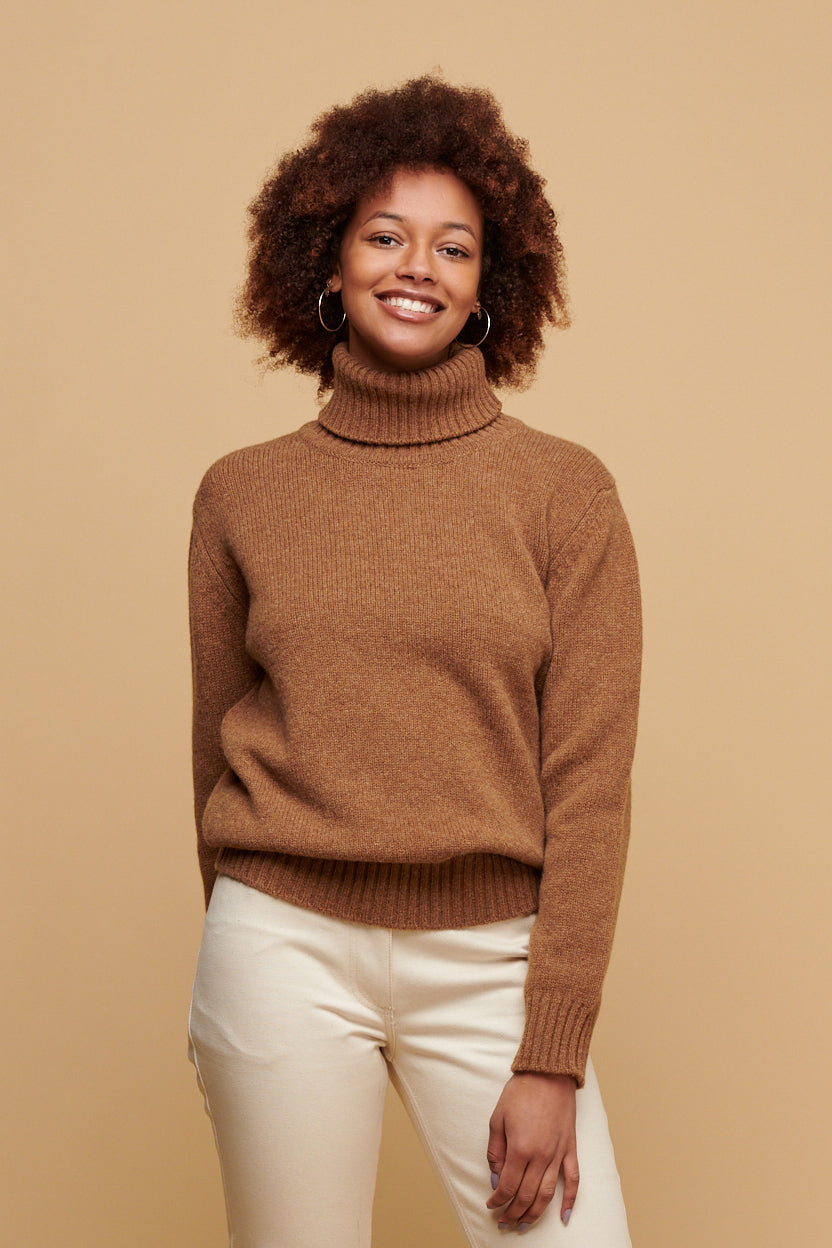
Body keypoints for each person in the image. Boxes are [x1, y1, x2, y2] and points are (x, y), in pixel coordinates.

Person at [186, 74, 642, 1248]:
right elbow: (213, 750)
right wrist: (228, 977)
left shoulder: (563, 493)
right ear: (327, 265)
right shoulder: (243, 493)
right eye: (382, 235)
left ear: (491, 284)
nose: (414, 267)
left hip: (492, 957)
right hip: (279, 945)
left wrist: (553, 1054)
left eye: (453, 245)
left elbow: (587, 789)